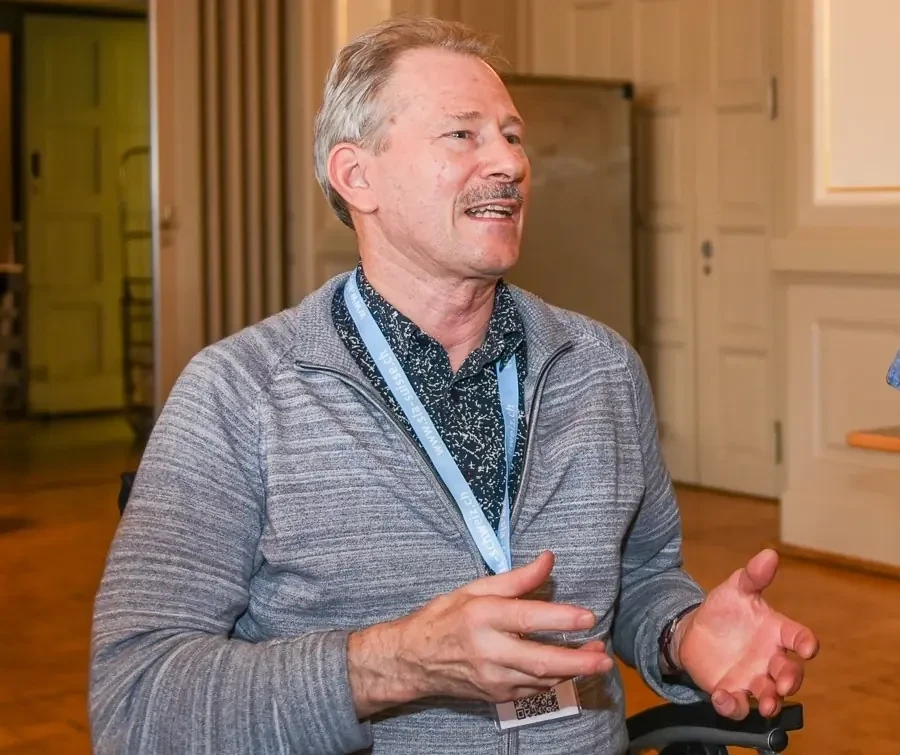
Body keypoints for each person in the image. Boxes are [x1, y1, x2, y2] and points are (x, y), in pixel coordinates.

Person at [89, 15, 819, 755]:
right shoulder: (239, 395)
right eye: (463, 134)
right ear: (358, 176)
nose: (509, 162)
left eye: (513, 135)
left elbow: (639, 575)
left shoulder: (601, 368)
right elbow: (135, 702)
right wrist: (394, 664)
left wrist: (681, 632)